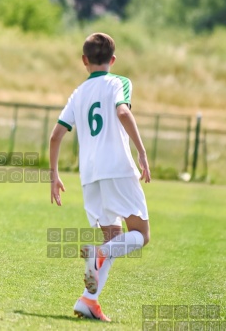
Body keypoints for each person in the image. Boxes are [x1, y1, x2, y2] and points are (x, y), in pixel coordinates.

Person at [49, 33, 151, 322]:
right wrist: (142, 152)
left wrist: (53, 175)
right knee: (141, 236)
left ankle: (88, 301)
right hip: (117, 168)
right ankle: (99, 254)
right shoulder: (120, 82)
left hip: (90, 175)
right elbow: (122, 111)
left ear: (84, 61)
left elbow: (56, 135)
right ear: (113, 60)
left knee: (114, 238)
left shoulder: (78, 93)